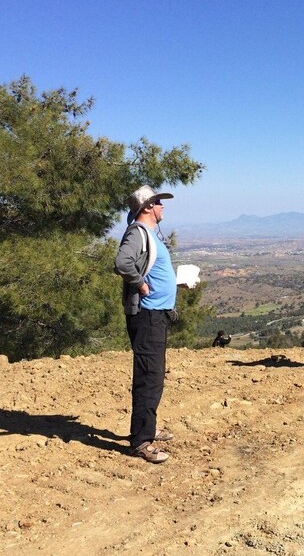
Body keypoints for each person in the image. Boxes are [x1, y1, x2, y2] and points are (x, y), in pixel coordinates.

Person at [114, 185, 179, 464]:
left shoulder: (149, 235)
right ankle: (141, 441)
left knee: (154, 375)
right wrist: (141, 285)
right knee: (148, 378)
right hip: (148, 316)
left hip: (156, 315)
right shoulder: (138, 234)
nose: (164, 207)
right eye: (159, 203)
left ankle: (147, 429)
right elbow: (122, 262)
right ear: (148, 207)